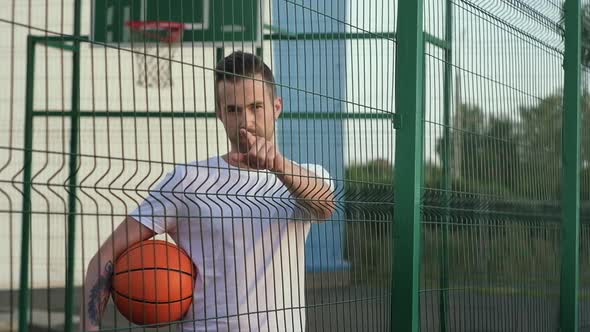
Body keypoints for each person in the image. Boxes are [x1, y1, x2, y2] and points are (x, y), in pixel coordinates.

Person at [80, 51, 336, 332]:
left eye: (256, 107)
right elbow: (105, 255)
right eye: (233, 109)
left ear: (277, 107)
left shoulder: (303, 178)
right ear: (219, 114)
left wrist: (277, 165)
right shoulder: (188, 180)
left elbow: (325, 205)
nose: (246, 121)